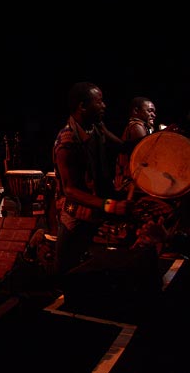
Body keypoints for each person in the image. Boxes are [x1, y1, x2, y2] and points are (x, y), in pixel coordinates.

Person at [52, 82, 136, 277]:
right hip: (75, 212)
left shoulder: (96, 127)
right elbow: (70, 190)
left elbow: (123, 146)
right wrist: (111, 206)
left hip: (96, 205)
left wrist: (157, 140)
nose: (104, 105)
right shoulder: (67, 141)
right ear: (82, 106)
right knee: (64, 270)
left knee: (88, 265)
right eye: (99, 102)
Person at [114, 96, 157, 196]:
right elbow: (146, 155)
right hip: (131, 186)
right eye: (150, 111)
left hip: (132, 184)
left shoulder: (143, 127)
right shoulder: (137, 125)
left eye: (154, 112)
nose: (153, 115)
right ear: (136, 111)